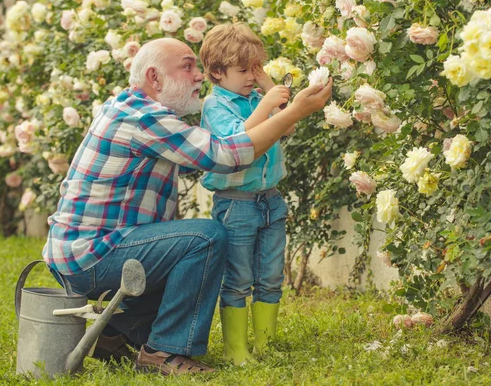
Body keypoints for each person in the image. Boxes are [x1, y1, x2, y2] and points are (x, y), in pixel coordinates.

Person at [42, 37, 332, 375]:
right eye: (188, 66)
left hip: (90, 252)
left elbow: (211, 150)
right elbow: (226, 156)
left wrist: (271, 99)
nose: (199, 76)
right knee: (205, 238)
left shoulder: (135, 109)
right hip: (91, 256)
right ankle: (163, 351)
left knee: (183, 246)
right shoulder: (144, 118)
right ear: (154, 78)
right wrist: (294, 111)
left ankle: (112, 333)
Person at [198, 23, 294, 366]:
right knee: (238, 280)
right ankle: (236, 349)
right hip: (235, 205)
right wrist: (267, 101)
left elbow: (289, 123)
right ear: (216, 72)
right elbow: (239, 139)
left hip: (270, 199)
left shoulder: (256, 94)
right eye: (243, 71)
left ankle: (265, 344)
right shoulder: (216, 105)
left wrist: (269, 86)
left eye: (255, 69)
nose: (251, 77)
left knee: (270, 277)